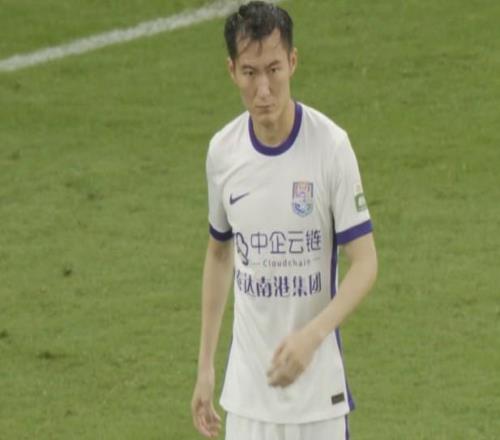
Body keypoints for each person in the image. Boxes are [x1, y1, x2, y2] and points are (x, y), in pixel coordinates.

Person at [191, 2, 378, 439]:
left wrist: (312, 336)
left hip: (318, 403)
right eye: (250, 72)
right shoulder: (223, 153)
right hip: (248, 400)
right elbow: (219, 254)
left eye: (273, 70)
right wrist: (205, 366)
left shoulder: (330, 147)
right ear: (232, 71)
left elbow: (366, 262)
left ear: (293, 62)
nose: (263, 90)